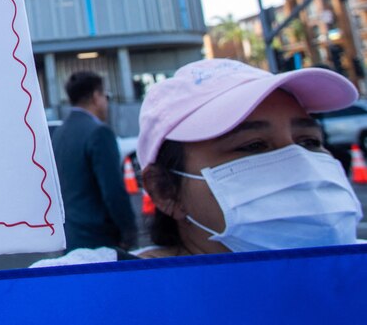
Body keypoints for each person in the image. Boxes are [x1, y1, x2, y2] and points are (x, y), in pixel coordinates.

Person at [137, 58, 363, 258]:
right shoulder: (117, 292)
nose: (301, 162)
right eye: (254, 145)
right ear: (164, 190)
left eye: (309, 142)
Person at [52, 71, 137, 251]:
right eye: (105, 96)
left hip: (69, 237)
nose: (106, 103)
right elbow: (113, 190)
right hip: (99, 239)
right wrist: (128, 230)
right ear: (96, 96)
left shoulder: (59, 133)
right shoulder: (99, 133)